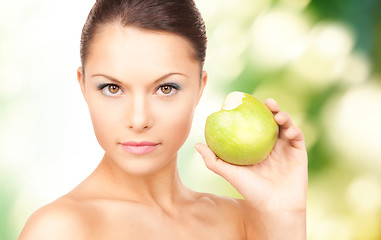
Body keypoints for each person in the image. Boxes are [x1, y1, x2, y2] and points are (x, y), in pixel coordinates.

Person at [18, 0, 308, 239]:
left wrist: (285, 214)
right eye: (112, 88)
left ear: (199, 88)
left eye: (165, 88)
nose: (139, 119)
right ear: (83, 86)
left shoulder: (245, 222)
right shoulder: (59, 229)